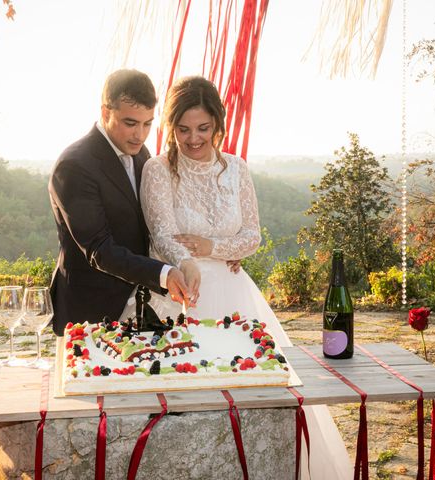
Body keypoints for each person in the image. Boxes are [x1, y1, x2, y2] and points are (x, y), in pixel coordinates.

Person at [120, 75, 354, 479]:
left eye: (203, 128)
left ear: (218, 124)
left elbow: (252, 237)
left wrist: (211, 249)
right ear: (170, 127)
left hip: (235, 296)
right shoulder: (158, 170)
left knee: (261, 403)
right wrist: (186, 262)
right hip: (179, 296)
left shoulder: (237, 169)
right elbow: (162, 235)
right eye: (183, 129)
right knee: (185, 410)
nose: (194, 139)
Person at [48, 69, 191, 336]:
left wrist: (216, 249)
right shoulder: (74, 166)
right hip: (90, 311)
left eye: (147, 123)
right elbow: (99, 248)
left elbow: (152, 219)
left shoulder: (140, 153)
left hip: (139, 306)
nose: (140, 134)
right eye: (130, 123)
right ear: (105, 113)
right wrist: (163, 273)